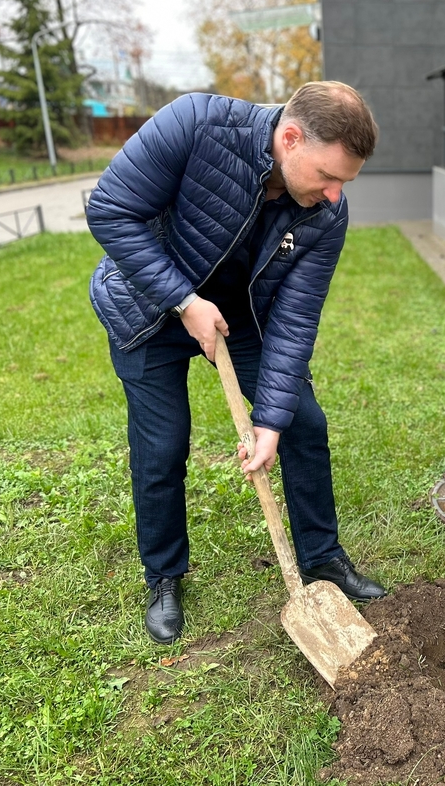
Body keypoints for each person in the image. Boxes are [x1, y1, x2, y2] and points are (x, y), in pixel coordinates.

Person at [87, 82, 387, 645]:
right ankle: (164, 576)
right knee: (162, 446)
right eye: (327, 176)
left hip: (243, 318)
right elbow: (110, 211)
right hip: (148, 310)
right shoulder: (197, 123)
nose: (333, 194)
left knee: (301, 422)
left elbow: (295, 321)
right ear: (290, 138)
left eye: (344, 181)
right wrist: (184, 300)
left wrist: (270, 422)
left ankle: (321, 559)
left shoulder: (327, 212)